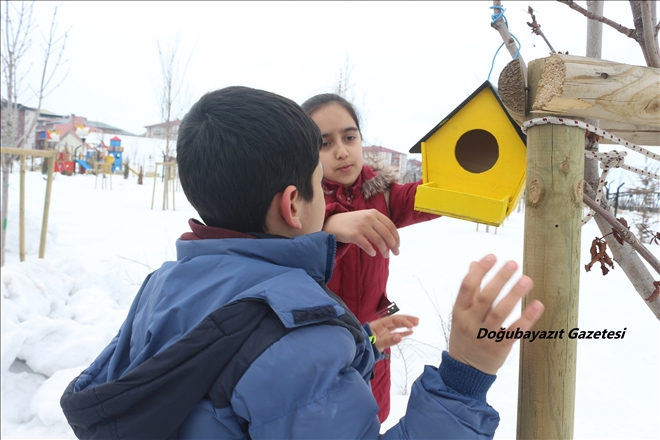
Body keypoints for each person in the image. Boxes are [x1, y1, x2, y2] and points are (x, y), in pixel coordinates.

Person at [60, 86, 543, 439]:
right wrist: (464, 376)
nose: (339, 152)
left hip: (345, 355)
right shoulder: (294, 337)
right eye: (322, 152)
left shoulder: (162, 283)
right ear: (295, 204)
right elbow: (285, 359)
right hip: (312, 365)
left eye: (349, 136)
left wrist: (365, 340)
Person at [302, 93, 440, 421]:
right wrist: (330, 222)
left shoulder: (384, 196)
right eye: (324, 143)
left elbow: (437, 196)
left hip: (377, 333)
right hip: (321, 342)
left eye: (349, 137)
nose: (341, 150)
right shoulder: (301, 206)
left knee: (370, 415)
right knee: (328, 423)